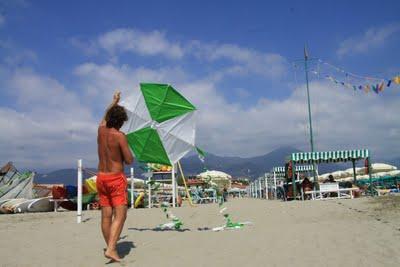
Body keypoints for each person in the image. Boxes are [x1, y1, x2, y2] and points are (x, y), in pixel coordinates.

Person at [97, 91, 133, 262]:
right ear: (121, 122)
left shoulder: (101, 130)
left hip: (101, 177)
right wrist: (127, 145)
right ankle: (111, 248)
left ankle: (112, 247)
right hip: (115, 178)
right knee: (121, 215)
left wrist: (114, 102)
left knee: (106, 214)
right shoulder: (120, 136)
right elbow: (129, 160)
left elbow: (104, 117)